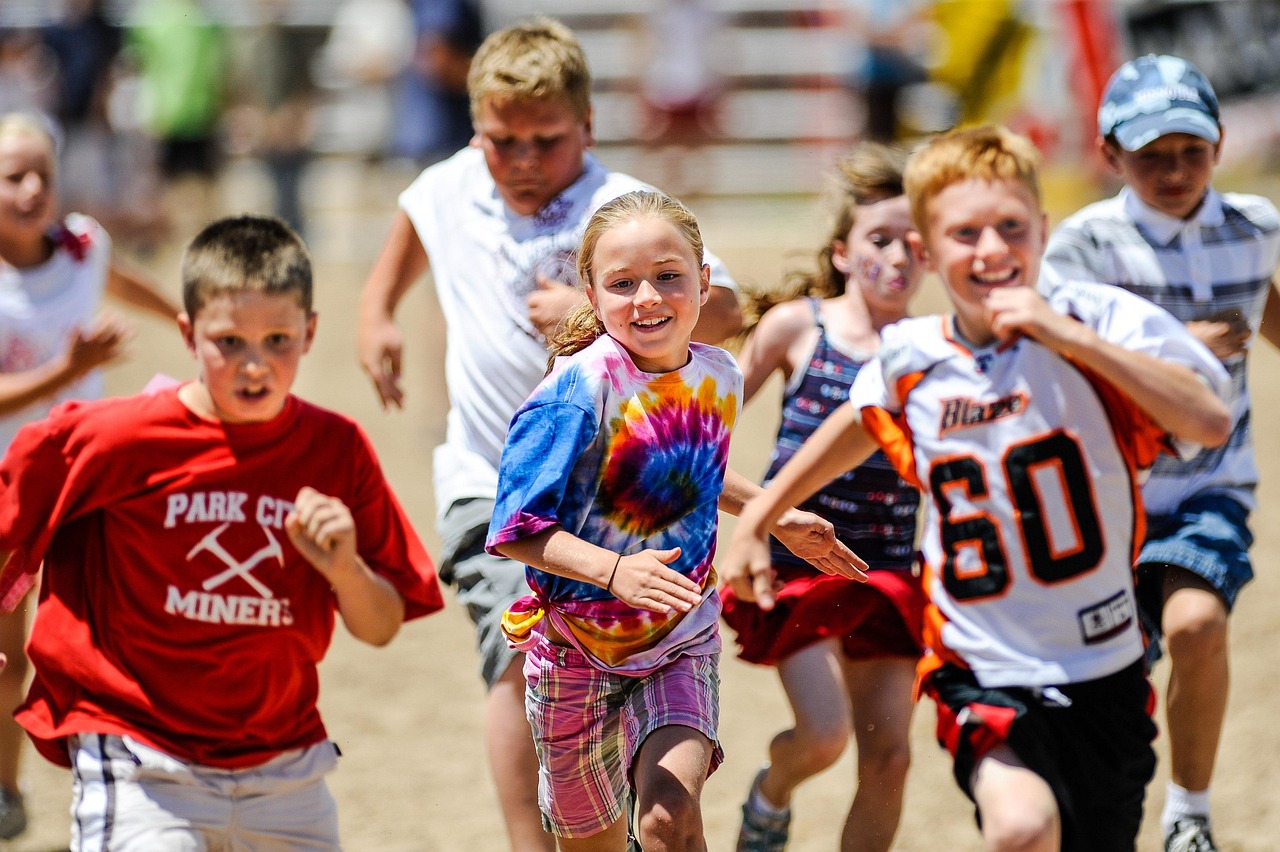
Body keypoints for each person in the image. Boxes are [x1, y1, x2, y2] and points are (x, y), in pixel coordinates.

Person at [721, 125, 1233, 852]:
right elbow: (857, 423)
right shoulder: (914, 355)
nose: (991, 249)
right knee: (1021, 828)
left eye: (1011, 227)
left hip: (1104, 659)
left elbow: (1209, 419)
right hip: (980, 663)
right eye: (965, 233)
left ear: (1043, 230)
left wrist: (1068, 337)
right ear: (929, 251)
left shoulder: (1101, 318)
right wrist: (759, 518)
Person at [356, 17, 743, 851]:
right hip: (488, 478)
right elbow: (401, 246)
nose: (525, 159)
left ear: (587, 128)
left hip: (621, 498)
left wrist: (600, 307)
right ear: (475, 130)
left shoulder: (625, 208)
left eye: (548, 140)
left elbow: (729, 308)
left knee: (655, 776)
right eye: (505, 141)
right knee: (512, 653)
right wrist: (376, 315)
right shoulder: (447, 186)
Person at [0, 213, 444, 851]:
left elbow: (379, 627)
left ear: (312, 333)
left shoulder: (335, 449)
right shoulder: (110, 438)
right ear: (187, 332)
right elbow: (11, 527)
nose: (254, 364)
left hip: (285, 765)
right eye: (228, 341)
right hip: (137, 753)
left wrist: (344, 569)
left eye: (278, 339)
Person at [485, 189, 864, 851]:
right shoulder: (576, 390)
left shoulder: (718, 373)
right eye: (623, 284)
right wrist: (612, 570)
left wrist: (777, 515)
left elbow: (694, 468)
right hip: (574, 652)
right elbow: (516, 527)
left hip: (679, 637)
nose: (648, 298)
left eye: (668, 277)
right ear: (591, 292)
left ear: (703, 280)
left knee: (666, 812)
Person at [1040, 54, 1280, 852]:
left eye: (1192, 151)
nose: (1175, 171)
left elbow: (1264, 306)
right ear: (1110, 156)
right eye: (1151, 156)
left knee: (1199, 624)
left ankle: (1190, 813)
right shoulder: (1084, 245)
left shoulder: (1256, 228)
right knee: (1112, 677)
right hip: (1109, 489)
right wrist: (1180, 348)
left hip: (1213, 481)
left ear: (1218, 146)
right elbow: (1054, 359)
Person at [722, 142, 925, 852]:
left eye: (914, 242)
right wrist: (748, 516)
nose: (899, 256)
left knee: (892, 759)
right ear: (842, 252)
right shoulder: (797, 326)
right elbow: (700, 431)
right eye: (880, 239)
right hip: (799, 566)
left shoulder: (934, 348)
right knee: (825, 734)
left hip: (890, 569)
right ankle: (769, 795)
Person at [0, 110, 181, 841]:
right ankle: (5, 787)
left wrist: (183, 314)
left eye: (43, 172)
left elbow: (118, 279)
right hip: (7, 487)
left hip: (81, 475)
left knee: (105, 632)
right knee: (8, 649)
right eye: (14, 176)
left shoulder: (83, 246)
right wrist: (67, 370)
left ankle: (124, 777)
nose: (33, 188)